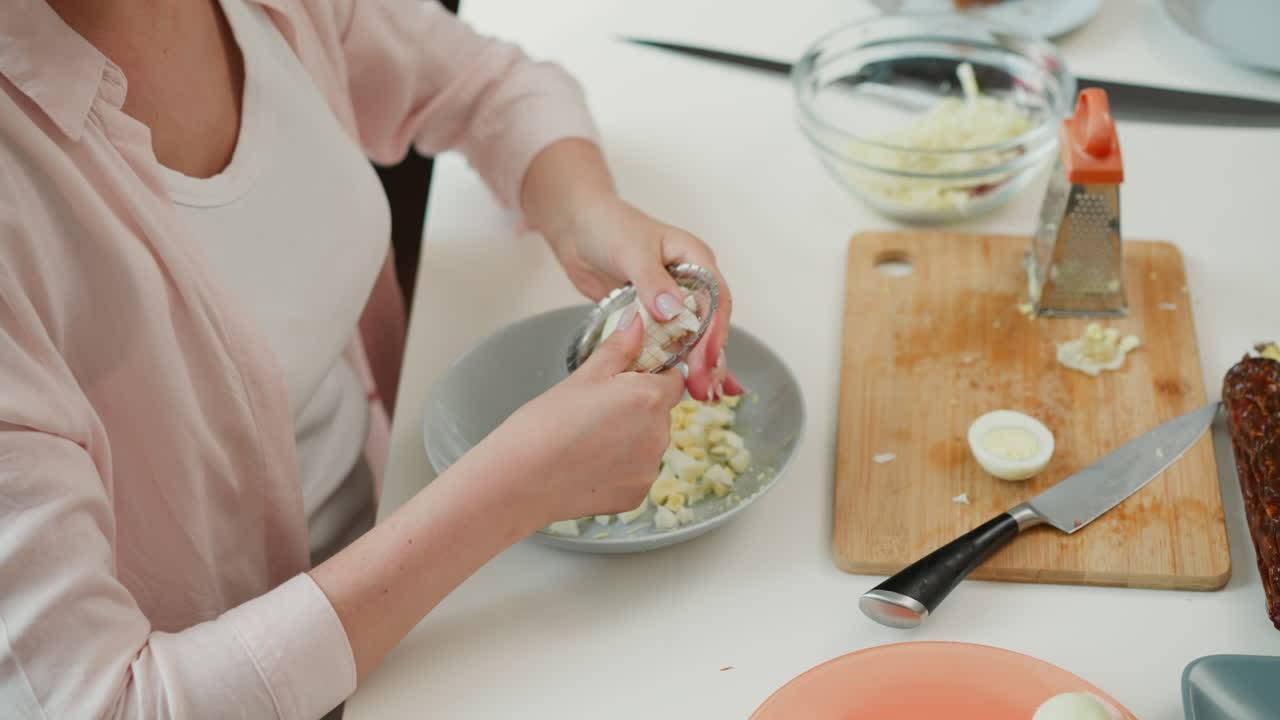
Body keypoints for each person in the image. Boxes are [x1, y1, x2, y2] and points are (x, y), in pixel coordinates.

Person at [0, 0, 739, 717]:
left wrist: (585, 213)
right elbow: (107, 704)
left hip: (407, 552)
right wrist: (511, 492)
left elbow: (487, 82)